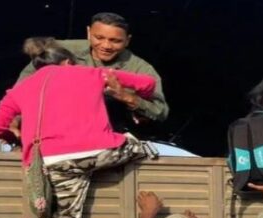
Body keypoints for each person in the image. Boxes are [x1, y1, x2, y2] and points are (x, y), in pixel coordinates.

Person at [0, 37, 158, 218]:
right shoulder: (93, 73)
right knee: (133, 143)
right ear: (67, 62)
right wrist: (117, 88)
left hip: (55, 161)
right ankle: (143, 148)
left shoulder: (21, 88)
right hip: (100, 153)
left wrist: (15, 135)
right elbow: (148, 84)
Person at [18, 12, 169, 132]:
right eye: (99, 37)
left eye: (115, 41)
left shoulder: (141, 68)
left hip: (109, 131)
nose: (106, 45)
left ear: (128, 40)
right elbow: (23, 87)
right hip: (53, 126)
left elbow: (160, 111)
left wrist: (126, 97)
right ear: (89, 32)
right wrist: (16, 118)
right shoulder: (61, 49)